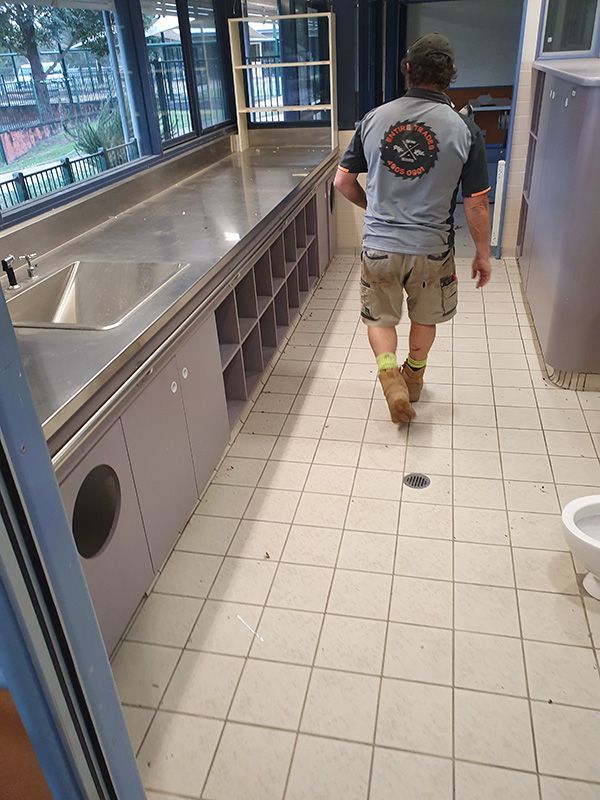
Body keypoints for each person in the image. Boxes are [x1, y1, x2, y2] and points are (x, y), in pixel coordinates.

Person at [334, 33, 492, 423]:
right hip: (431, 249)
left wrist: (376, 209)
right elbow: (476, 202)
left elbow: (342, 182)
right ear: (451, 75)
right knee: (425, 318)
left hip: (380, 246)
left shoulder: (373, 119)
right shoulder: (464, 130)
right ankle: (414, 380)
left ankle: (390, 380)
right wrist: (484, 254)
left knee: (380, 319)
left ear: (407, 69)